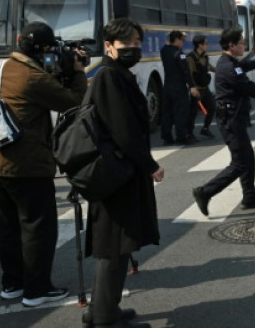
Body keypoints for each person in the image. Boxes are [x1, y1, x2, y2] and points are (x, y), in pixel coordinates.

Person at [0, 22, 87, 307]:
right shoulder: (33, 77)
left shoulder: (1, 68)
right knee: (38, 227)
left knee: (7, 226)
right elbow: (74, 104)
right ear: (44, 50)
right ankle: (36, 290)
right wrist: (77, 72)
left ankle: (12, 284)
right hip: (25, 164)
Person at [85, 18, 163, 328]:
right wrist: (151, 165)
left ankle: (101, 310)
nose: (132, 49)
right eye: (125, 44)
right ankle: (105, 319)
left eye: (136, 44)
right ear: (108, 46)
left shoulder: (115, 74)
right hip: (117, 175)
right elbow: (124, 132)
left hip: (120, 173)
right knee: (115, 247)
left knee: (116, 246)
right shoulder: (109, 78)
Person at [191, 26, 255, 217]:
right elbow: (250, 88)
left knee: (247, 158)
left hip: (235, 118)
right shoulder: (227, 67)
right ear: (231, 45)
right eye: (241, 42)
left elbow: (244, 65)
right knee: (240, 163)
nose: (244, 45)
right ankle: (205, 192)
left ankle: (249, 197)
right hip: (230, 121)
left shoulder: (229, 62)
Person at [160, 30, 199, 145]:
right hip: (179, 87)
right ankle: (181, 136)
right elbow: (185, 71)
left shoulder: (164, 51)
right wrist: (192, 86)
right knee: (181, 112)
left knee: (167, 113)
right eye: (181, 40)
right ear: (176, 40)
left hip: (167, 86)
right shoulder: (179, 54)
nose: (183, 42)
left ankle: (166, 137)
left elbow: (168, 45)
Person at [186, 35, 216, 139]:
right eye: (205, 44)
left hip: (205, 89)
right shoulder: (191, 58)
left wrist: (221, 70)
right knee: (193, 112)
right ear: (200, 45)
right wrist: (193, 88)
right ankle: (189, 133)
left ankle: (205, 128)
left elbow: (211, 68)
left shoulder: (205, 57)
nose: (207, 45)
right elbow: (189, 74)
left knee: (212, 107)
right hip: (197, 89)